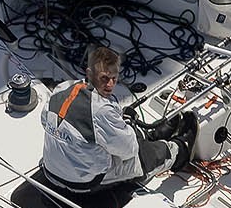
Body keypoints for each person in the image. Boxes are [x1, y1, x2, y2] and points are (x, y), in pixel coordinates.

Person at [40, 47, 194, 195]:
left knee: (112, 137)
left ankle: (151, 135)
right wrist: (123, 123)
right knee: (142, 157)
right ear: (89, 73)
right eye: (104, 78)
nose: (110, 85)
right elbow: (130, 151)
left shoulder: (62, 89)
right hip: (82, 183)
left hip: (51, 170)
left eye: (114, 78)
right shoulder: (101, 110)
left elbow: (45, 121)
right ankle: (181, 149)